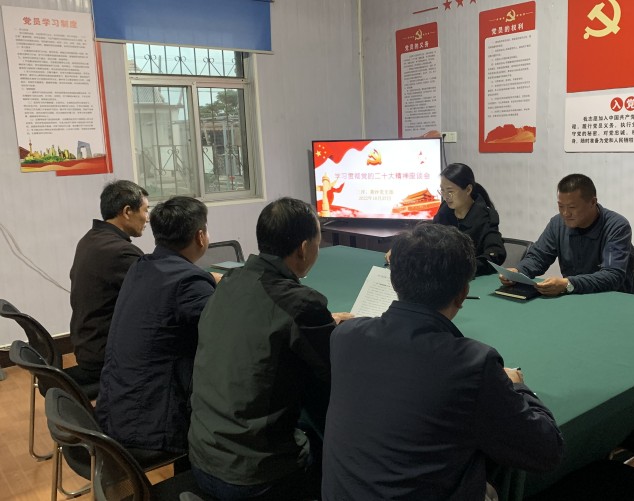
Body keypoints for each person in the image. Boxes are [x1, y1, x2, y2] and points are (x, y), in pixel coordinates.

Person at [322, 223, 565, 501]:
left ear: (394, 282)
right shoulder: (472, 364)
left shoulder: (344, 337)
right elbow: (548, 451)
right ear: (462, 294)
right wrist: (519, 387)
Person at [189, 197, 353, 501]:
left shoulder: (229, 282)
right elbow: (338, 375)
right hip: (256, 478)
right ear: (303, 248)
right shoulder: (302, 303)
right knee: (337, 448)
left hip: (202, 459)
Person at [95, 196, 218, 462]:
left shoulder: (142, 266)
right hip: (152, 426)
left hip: (116, 411)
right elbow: (229, 335)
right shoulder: (189, 282)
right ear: (200, 237)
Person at [69, 180, 149, 386]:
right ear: (127, 212)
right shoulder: (120, 251)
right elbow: (156, 295)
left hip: (88, 345)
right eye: (145, 210)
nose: (147, 218)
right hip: (105, 356)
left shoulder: (91, 238)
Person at [500, 173, 634, 295]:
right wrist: (518, 272)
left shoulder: (616, 226)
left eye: (572, 207)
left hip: (613, 300)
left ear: (593, 202)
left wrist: (568, 284)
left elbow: (612, 276)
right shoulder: (557, 224)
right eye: (560, 206)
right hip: (573, 297)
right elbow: (538, 257)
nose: (565, 213)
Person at [386, 163, 506, 275]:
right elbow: (428, 238)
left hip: (471, 279)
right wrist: (403, 250)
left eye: (450, 191)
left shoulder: (485, 217)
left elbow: (496, 254)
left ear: (468, 190)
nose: (445, 196)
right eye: (442, 190)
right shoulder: (445, 210)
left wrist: (464, 268)